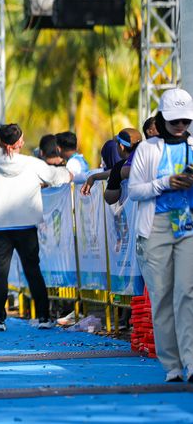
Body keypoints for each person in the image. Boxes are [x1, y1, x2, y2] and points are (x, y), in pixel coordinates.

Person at [0, 123, 73, 332]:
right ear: (20, 143)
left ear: (0, 143)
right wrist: (68, 174)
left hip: (0, 227)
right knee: (33, 271)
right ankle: (43, 316)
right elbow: (56, 176)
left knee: (0, 273)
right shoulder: (32, 164)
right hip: (26, 226)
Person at [128, 88, 193, 383]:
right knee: (162, 297)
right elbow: (134, 191)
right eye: (174, 121)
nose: (180, 126)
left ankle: (191, 362)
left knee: (187, 293)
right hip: (155, 226)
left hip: (188, 225)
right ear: (162, 118)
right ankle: (172, 365)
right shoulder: (147, 148)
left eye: (185, 121)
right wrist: (166, 182)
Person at [81, 128, 143, 204]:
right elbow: (113, 172)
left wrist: (115, 178)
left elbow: (109, 199)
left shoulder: (120, 168)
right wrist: (93, 177)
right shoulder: (146, 159)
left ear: (121, 146)